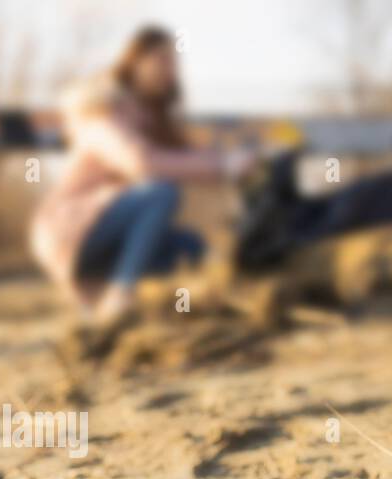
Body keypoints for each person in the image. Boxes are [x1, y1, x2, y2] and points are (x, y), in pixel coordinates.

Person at [30, 26, 258, 343]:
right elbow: (143, 163)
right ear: (135, 61)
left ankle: (193, 309)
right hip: (71, 228)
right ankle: (120, 300)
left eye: (175, 62)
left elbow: (184, 158)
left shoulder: (150, 120)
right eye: (162, 58)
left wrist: (233, 161)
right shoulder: (101, 111)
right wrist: (223, 166)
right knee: (161, 193)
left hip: (111, 234)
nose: (171, 70)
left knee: (191, 246)